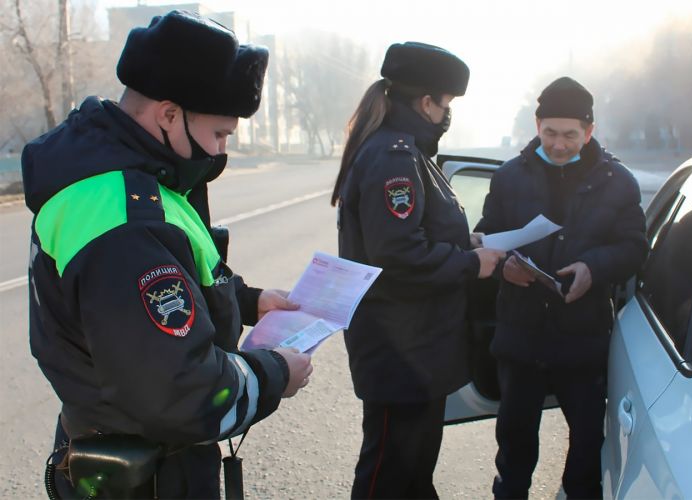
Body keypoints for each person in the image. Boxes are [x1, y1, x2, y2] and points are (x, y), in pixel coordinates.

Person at [22, 10, 312, 499]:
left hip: (123, 456)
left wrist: (247, 301)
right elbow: (181, 391)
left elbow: (175, 276)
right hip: (147, 478)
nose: (220, 152)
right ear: (169, 114)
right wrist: (276, 372)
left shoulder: (127, 179)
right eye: (219, 134)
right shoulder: (122, 219)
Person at [331, 42, 505, 499]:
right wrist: (471, 263)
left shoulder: (405, 151)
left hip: (413, 347)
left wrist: (463, 242)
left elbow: (405, 236)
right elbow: (399, 254)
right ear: (426, 102)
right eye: (446, 103)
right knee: (388, 475)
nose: (447, 114)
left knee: (413, 474)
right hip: (400, 349)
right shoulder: (395, 157)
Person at [474, 77, 648, 499]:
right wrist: (503, 269)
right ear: (537, 125)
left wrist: (593, 267)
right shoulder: (509, 176)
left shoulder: (617, 181)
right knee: (514, 448)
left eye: (570, 135)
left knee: (587, 444)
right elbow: (484, 236)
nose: (558, 144)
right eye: (550, 132)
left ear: (589, 132)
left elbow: (634, 247)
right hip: (520, 335)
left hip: (583, 337)